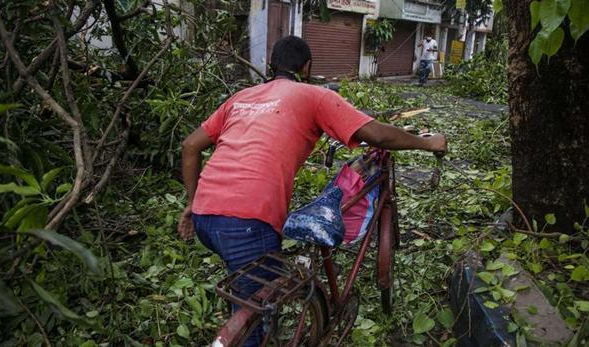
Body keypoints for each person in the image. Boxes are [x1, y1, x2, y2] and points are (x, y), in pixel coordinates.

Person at [178, 36, 446, 346]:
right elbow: (377, 135)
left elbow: (190, 146)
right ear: (307, 68)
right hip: (247, 222)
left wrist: (190, 202)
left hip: (204, 218)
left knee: (247, 287)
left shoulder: (241, 97)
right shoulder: (314, 95)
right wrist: (428, 142)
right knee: (254, 322)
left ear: (270, 65)